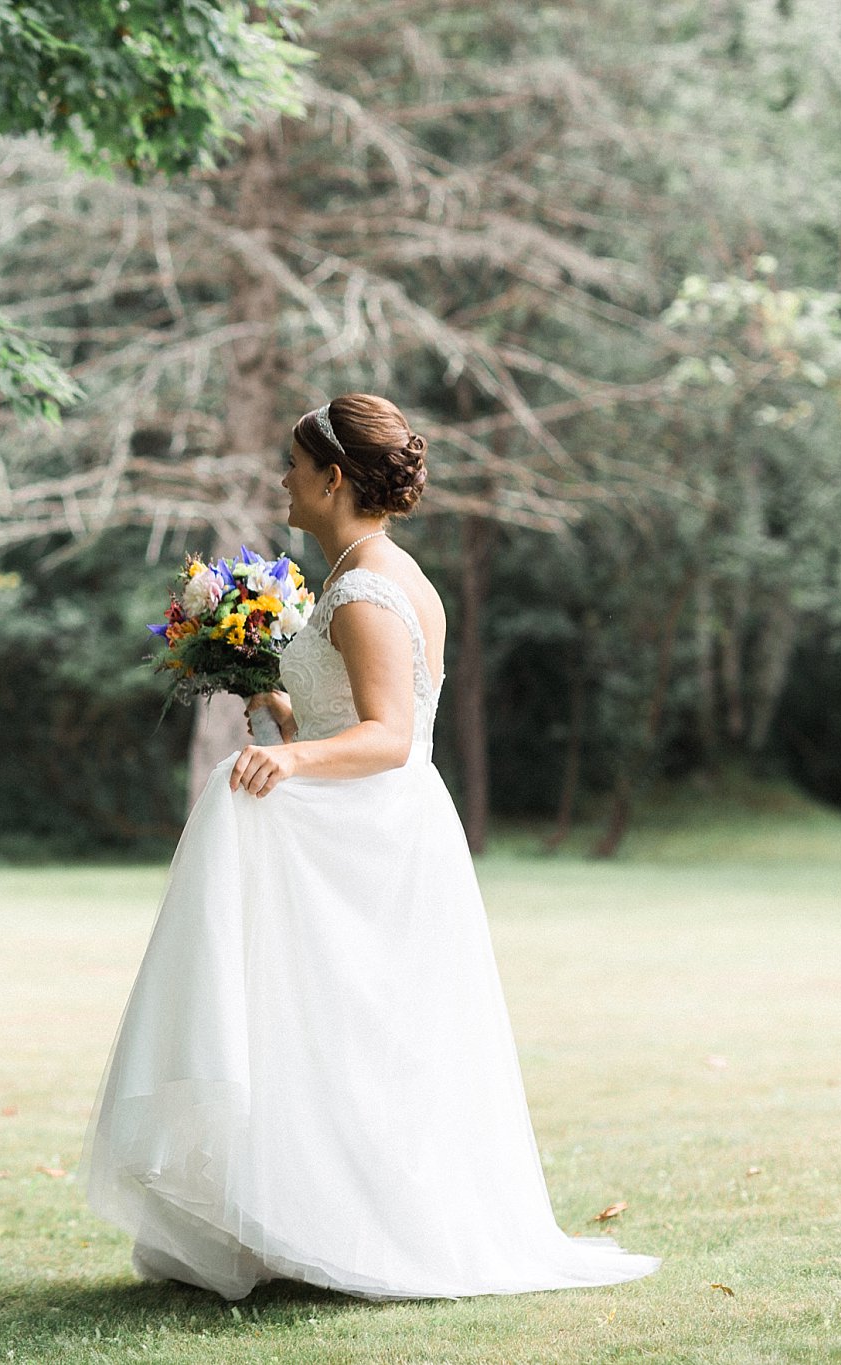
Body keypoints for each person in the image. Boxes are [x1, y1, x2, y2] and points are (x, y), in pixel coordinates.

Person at [83, 393, 658, 1300]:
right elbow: (352, 711)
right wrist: (280, 707)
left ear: (333, 477)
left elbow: (393, 734)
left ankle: (361, 1228)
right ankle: (306, 1217)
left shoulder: (364, 588)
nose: (283, 479)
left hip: (370, 839)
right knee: (328, 1030)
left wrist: (292, 757)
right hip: (362, 830)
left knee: (357, 1028)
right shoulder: (375, 574)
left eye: (293, 465)